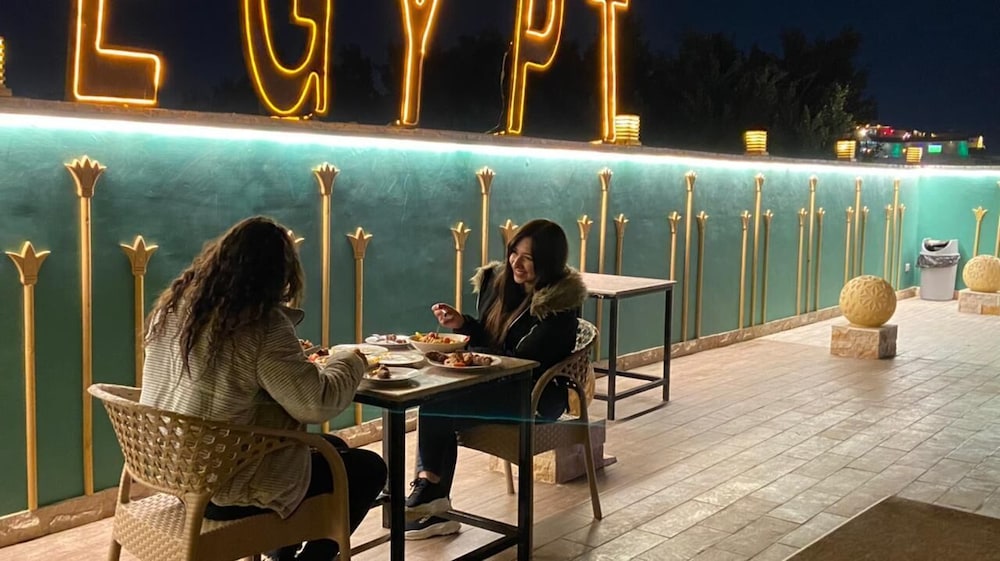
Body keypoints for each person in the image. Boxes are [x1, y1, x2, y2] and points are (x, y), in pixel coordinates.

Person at [140, 216, 386, 561]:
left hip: (174, 473)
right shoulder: (261, 325)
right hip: (223, 490)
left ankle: (281, 551)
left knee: (334, 447)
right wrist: (350, 359)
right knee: (368, 469)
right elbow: (316, 405)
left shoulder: (175, 309)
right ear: (278, 275)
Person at [404, 218, 587, 539]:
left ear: (548, 261)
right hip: (499, 382)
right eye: (514, 252)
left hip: (536, 395)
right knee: (435, 400)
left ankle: (431, 495)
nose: (516, 262)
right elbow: (493, 340)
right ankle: (433, 499)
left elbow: (522, 360)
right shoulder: (504, 286)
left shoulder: (559, 306)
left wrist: (474, 356)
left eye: (528, 258)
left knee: (437, 406)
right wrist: (463, 324)